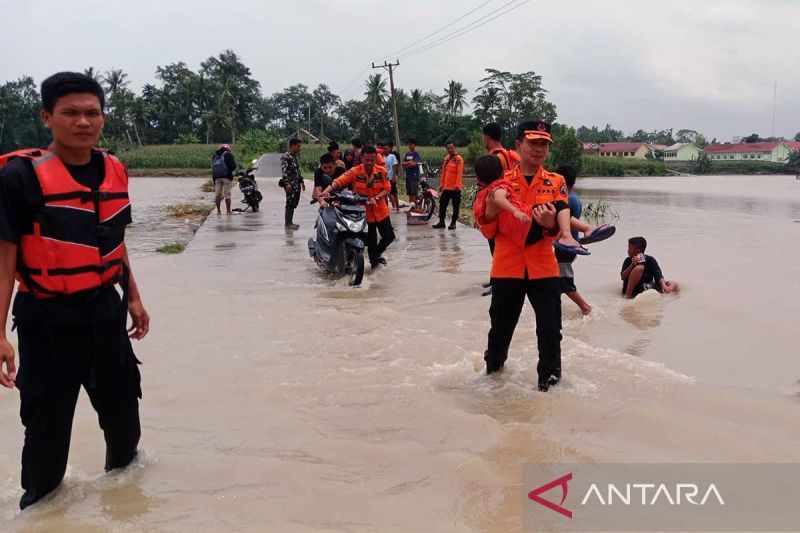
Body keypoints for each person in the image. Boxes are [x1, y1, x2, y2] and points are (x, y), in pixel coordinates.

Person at [0, 72, 150, 509]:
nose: (83, 121)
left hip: (106, 310)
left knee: (125, 422)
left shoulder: (115, 169)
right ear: (48, 117)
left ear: (103, 117)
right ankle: (41, 510)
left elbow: (112, 243)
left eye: (92, 112)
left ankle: (125, 508)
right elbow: (5, 259)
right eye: (70, 113)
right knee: (47, 434)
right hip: (47, 319)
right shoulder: (19, 178)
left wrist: (135, 297)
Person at [481, 119, 571, 392]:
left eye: (544, 144)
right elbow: (487, 229)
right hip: (507, 268)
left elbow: (560, 226)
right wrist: (492, 212)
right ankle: (492, 376)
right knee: (500, 330)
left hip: (543, 268)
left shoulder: (556, 182)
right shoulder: (501, 183)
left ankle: (550, 382)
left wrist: (550, 226)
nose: (539, 148)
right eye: (532, 142)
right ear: (518, 144)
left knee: (550, 331)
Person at [320, 146, 394, 269]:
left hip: (381, 210)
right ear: (361, 158)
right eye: (367, 160)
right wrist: (327, 191)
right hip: (363, 213)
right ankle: (374, 266)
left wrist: (376, 198)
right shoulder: (355, 171)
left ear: (376, 159)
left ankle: (376, 254)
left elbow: (387, 189)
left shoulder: (382, 171)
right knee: (371, 241)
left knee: (389, 236)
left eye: (372, 160)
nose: (370, 163)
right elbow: (339, 181)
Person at [554, 165, 592, 315]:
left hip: (565, 247)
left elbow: (563, 224)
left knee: (565, 283)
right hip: (569, 246)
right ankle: (554, 310)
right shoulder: (575, 198)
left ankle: (585, 308)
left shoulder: (567, 200)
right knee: (555, 282)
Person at [432, 141, 464, 230]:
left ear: (455, 148)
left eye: (452, 148)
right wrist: (441, 185)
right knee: (442, 204)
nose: (450, 149)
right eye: (448, 148)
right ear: (446, 149)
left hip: (455, 188)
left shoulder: (458, 159)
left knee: (455, 206)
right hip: (446, 187)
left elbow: (459, 173)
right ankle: (441, 222)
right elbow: (444, 173)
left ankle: (453, 223)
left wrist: (457, 186)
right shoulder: (446, 159)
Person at [280, 138, 305, 230]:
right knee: (290, 202)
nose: (299, 148)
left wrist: (301, 181)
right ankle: (288, 223)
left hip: (296, 183)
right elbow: (284, 171)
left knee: (294, 202)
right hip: (290, 184)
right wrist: (287, 183)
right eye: (298, 146)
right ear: (293, 145)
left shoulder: (295, 156)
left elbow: (297, 170)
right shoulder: (286, 157)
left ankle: (290, 222)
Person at [211, 144, 237, 215]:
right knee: (227, 194)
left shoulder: (215, 155)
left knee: (218, 194)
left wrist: (214, 178)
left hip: (217, 177)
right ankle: (228, 211)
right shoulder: (228, 154)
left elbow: (213, 167)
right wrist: (229, 171)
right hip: (226, 177)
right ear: (228, 149)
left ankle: (218, 211)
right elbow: (233, 166)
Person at [401, 138, 422, 205]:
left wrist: (408, 163)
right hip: (408, 175)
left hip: (414, 176)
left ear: (414, 145)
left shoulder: (416, 154)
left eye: (411, 144)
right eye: (408, 144)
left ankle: (415, 207)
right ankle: (411, 206)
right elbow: (402, 164)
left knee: (414, 192)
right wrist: (409, 163)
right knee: (409, 192)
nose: (409, 146)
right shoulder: (407, 154)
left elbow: (414, 164)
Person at [380, 143, 400, 212]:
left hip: (391, 178)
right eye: (384, 148)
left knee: (394, 193)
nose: (385, 150)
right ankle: (386, 208)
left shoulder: (392, 156)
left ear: (389, 149)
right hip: (384, 179)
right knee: (385, 194)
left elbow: (395, 167)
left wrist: (394, 176)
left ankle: (397, 207)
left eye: (387, 148)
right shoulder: (381, 157)